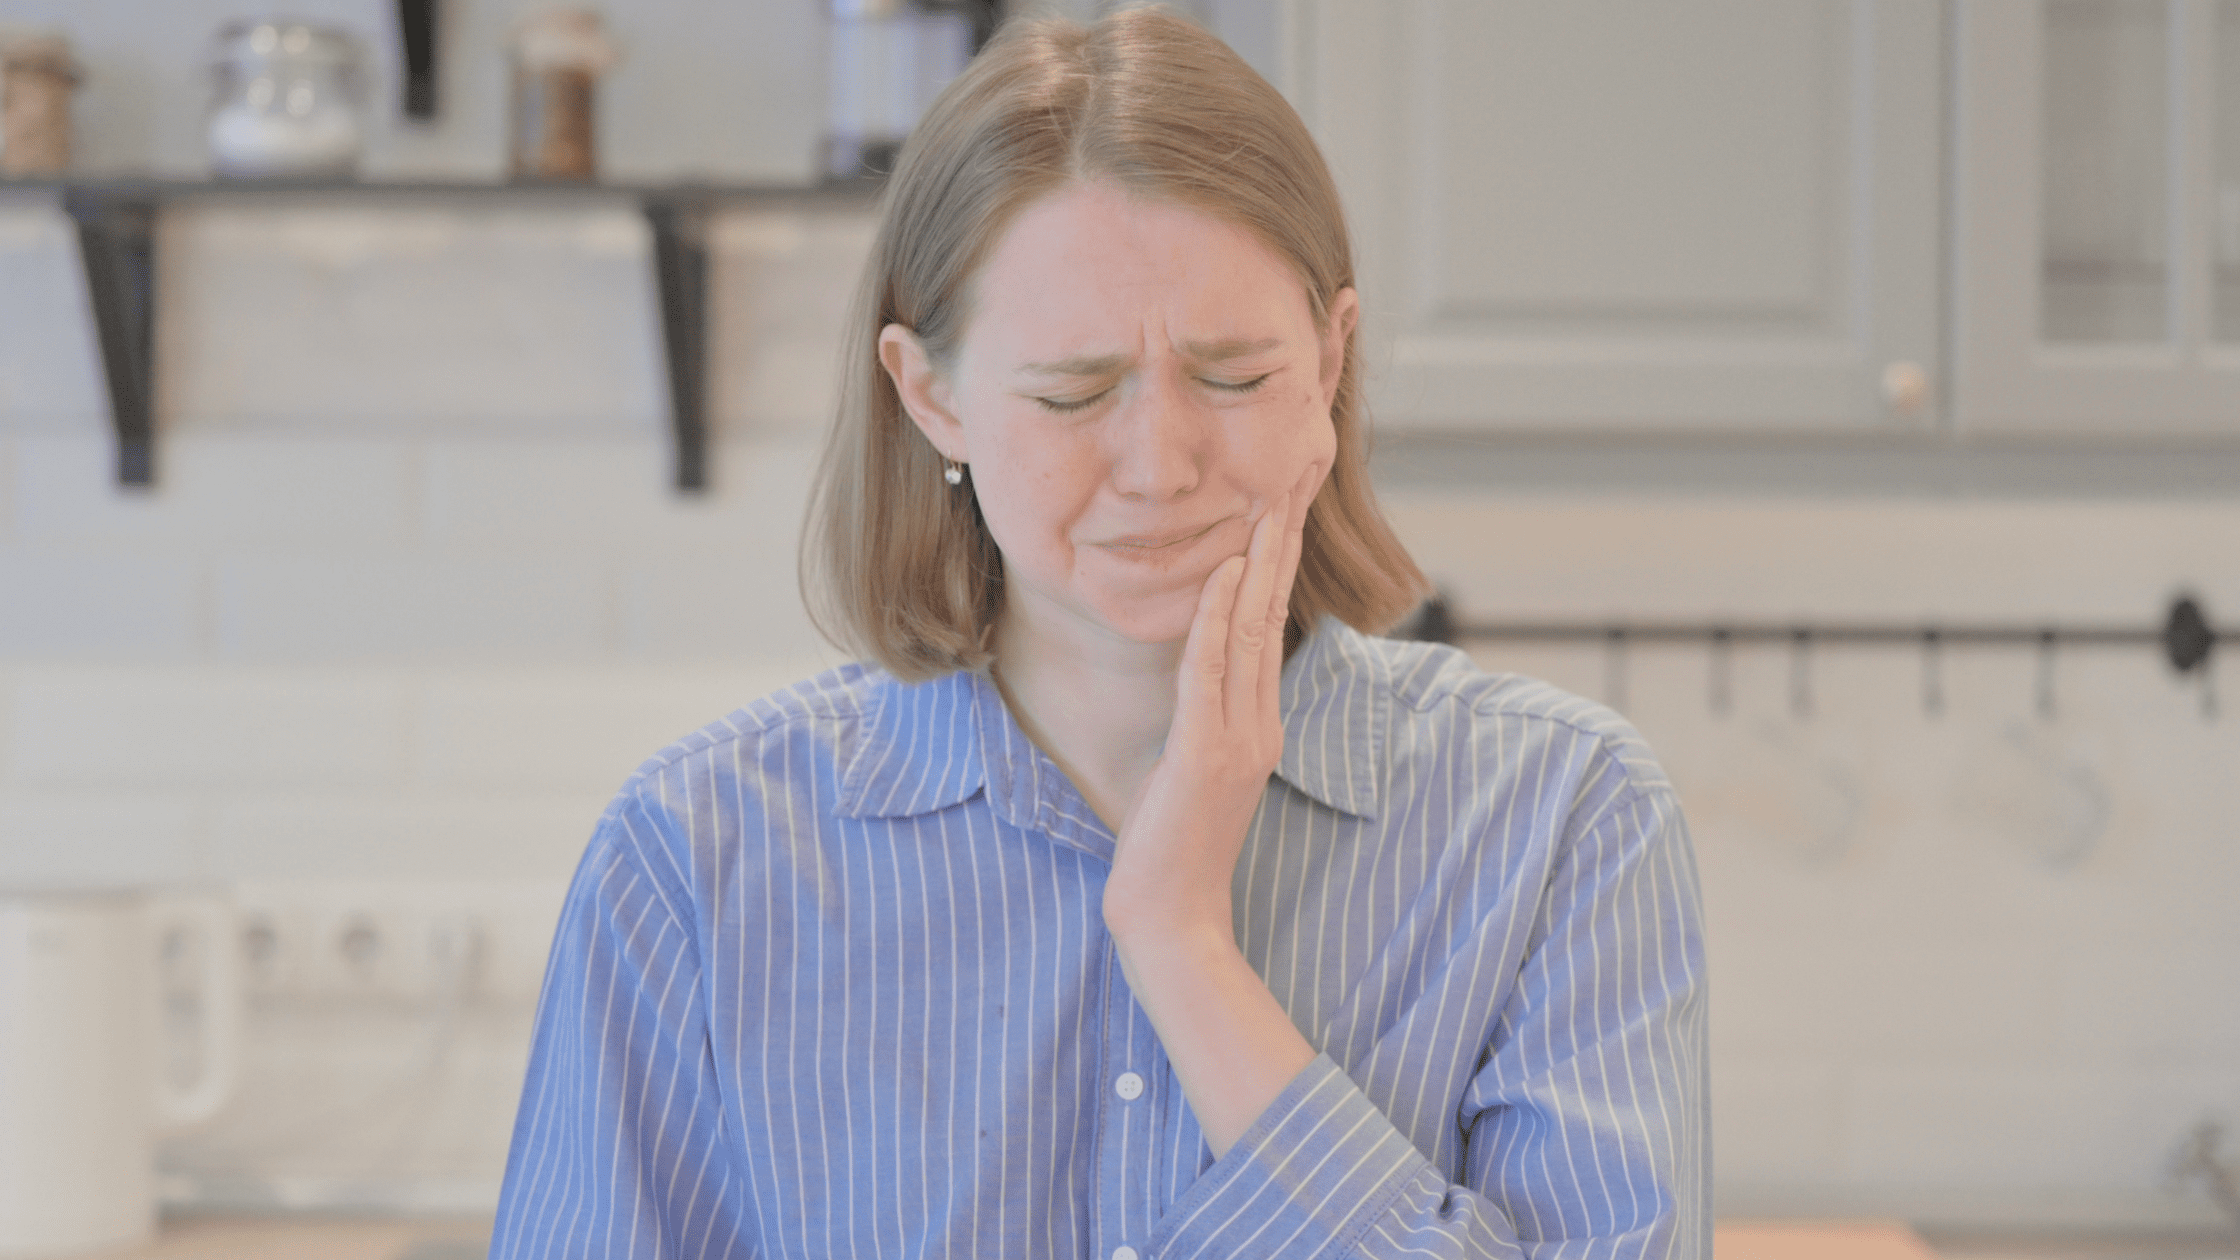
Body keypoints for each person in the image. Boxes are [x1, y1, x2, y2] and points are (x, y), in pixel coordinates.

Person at [491, 9, 1708, 1258]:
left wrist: (1182, 945)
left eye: (1233, 377)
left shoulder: (1561, 819)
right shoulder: (696, 862)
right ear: (932, 397)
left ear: (1331, 365)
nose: (1158, 466)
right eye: (1074, 390)